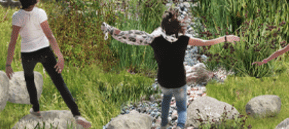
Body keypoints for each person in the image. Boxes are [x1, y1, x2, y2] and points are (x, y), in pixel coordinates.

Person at [101, 9, 240, 129]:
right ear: (178, 26)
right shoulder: (185, 39)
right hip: (179, 80)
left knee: (166, 99)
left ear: (163, 26)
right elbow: (206, 42)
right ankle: (180, 125)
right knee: (181, 106)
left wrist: (112, 30)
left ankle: (164, 124)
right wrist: (226, 38)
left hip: (164, 80)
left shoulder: (154, 40)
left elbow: (132, 36)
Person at [5, 0, 91, 128]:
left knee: (30, 80)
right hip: (45, 51)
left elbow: (12, 42)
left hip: (27, 54)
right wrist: (60, 56)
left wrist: (8, 64)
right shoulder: (40, 13)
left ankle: (36, 109)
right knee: (59, 83)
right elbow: (50, 36)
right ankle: (77, 114)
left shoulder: (17, 16)